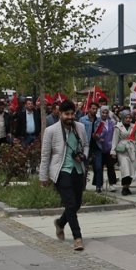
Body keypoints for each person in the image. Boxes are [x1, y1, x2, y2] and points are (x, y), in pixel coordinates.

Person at [39, 100, 88, 251]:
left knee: (77, 204)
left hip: (78, 170)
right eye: (66, 114)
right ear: (59, 114)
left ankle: (60, 223)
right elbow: (45, 155)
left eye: (72, 114)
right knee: (70, 204)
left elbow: (86, 145)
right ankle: (77, 237)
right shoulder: (51, 131)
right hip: (61, 171)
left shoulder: (80, 127)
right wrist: (43, 177)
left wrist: (83, 156)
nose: (70, 117)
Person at [111, 110, 136, 195]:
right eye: (126, 118)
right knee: (125, 169)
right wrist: (113, 151)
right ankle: (124, 187)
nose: (128, 119)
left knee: (132, 169)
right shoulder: (118, 127)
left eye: (130, 118)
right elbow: (115, 139)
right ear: (122, 118)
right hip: (122, 150)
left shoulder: (134, 126)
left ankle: (127, 186)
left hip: (132, 149)